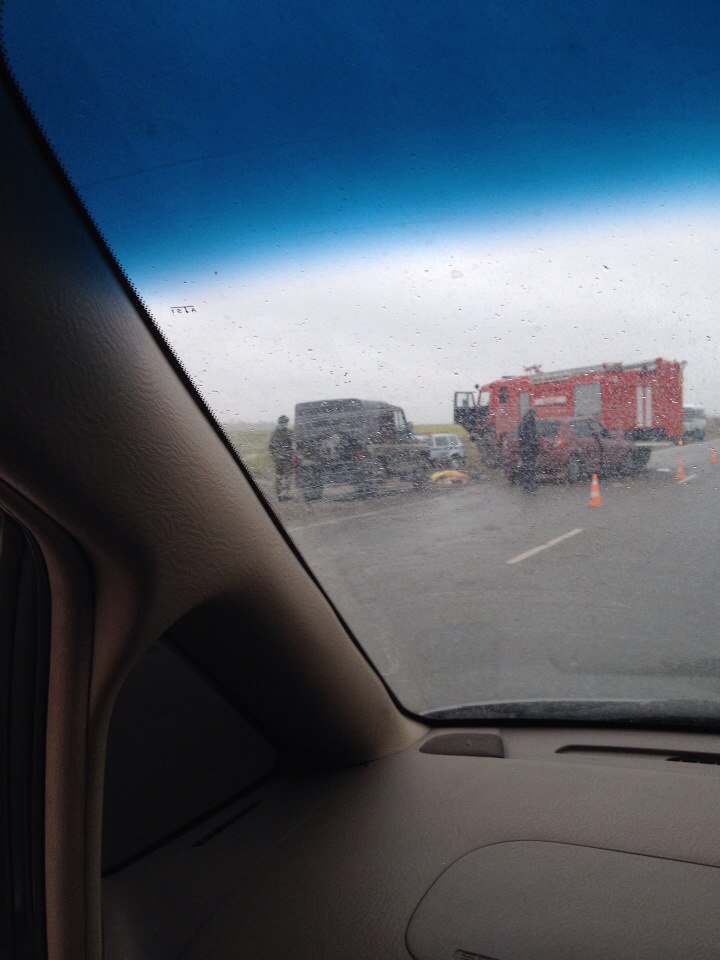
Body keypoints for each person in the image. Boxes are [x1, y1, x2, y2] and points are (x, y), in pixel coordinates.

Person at [268, 415, 294, 501]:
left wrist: (290, 455)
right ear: (280, 423)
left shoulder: (288, 432)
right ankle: (280, 495)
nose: (284, 424)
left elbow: (293, 445)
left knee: (287, 477)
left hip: (286, 459)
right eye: (283, 422)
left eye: (285, 422)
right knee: (280, 477)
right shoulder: (276, 434)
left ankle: (286, 494)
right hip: (279, 459)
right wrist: (275, 457)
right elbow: (271, 447)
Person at [518, 408, 539, 492]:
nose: (535, 416)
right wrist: (534, 443)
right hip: (529, 448)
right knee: (530, 467)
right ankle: (529, 485)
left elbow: (522, 435)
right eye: (534, 414)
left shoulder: (524, 421)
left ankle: (527, 484)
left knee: (527, 467)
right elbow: (530, 436)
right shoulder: (529, 422)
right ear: (531, 414)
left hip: (525, 448)